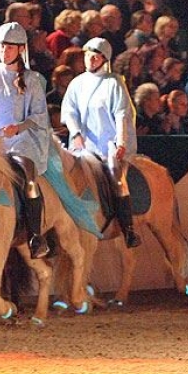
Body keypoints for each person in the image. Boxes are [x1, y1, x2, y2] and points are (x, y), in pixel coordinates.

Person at [0, 22, 51, 259]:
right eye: (1, 46)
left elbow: (39, 114)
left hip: (21, 141)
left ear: (20, 49)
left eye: (9, 47)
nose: (3, 51)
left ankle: (35, 236)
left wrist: (18, 127)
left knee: (26, 173)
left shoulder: (32, 79)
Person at [61, 37, 141, 248]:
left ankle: (128, 228)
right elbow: (69, 111)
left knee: (116, 176)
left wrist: (121, 142)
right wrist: (76, 133)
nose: (91, 59)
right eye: (88, 55)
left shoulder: (114, 83)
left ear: (104, 59)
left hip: (108, 145)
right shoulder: (77, 83)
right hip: (82, 145)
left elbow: (122, 114)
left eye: (96, 56)